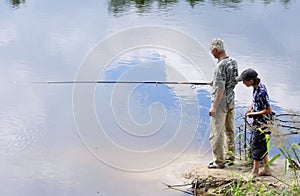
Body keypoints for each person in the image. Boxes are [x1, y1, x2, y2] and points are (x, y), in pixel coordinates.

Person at [236, 68, 273, 177]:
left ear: (251, 81)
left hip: (263, 122)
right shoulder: (257, 87)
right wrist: (251, 109)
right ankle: (267, 169)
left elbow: (268, 110)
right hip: (261, 120)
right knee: (263, 145)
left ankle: (255, 172)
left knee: (256, 146)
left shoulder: (261, 92)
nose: (243, 83)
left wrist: (253, 114)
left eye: (244, 81)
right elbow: (255, 102)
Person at [208, 38, 238, 169]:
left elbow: (221, 88)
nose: (212, 54)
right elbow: (234, 81)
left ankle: (218, 161)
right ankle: (231, 157)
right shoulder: (233, 61)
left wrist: (214, 106)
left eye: (212, 51)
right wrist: (214, 82)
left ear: (215, 50)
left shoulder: (220, 66)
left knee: (216, 132)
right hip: (231, 99)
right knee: (230, 129)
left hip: (221, 102)